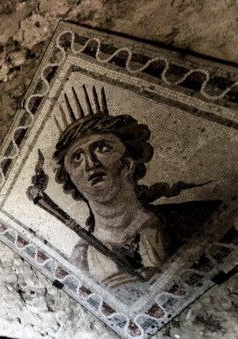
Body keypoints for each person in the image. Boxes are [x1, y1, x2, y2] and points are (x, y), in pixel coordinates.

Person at [36, 86, 220, 289]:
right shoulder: (80, 262)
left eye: (102, 147)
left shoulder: (196, 217)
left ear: (127, 163)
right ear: (73, 181)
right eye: (77, 158)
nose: (90, 164)